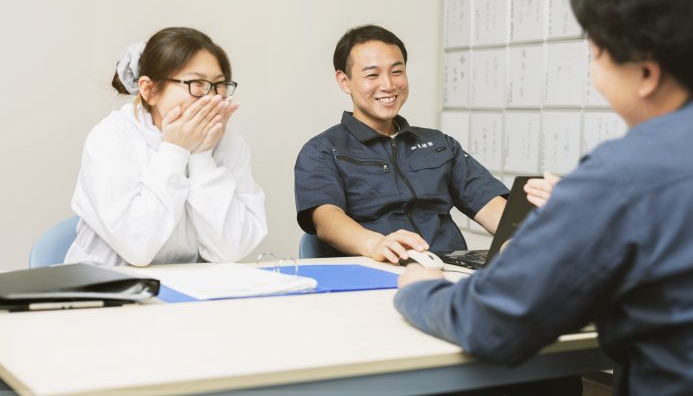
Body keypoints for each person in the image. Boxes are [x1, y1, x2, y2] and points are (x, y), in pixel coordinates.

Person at [395, 0, 693, 396]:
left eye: (595, 54)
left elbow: (491, 322)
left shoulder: (628, 174)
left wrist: (418, 288)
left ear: (646, 72)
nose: (593, 73)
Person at [293, 25, 509, 264]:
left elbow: (489, 204)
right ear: (345, 81)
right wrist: (376, 244)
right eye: (372, 75)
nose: (388, 85)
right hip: (378, 270)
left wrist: (522, 236)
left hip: (449, 270)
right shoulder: (322, 151)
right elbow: (326, 219)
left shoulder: (439, 143)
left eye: (397, 72)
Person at [65, 27, 268, 266]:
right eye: (197, 84)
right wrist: (176, 150)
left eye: (218, 85)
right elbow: (138, 247)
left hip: (192, 291)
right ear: (149, 90)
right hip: (107, 288)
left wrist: (201, 156)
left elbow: (232, 248)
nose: (211, 98)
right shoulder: (111, 137)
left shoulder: (227, 141)